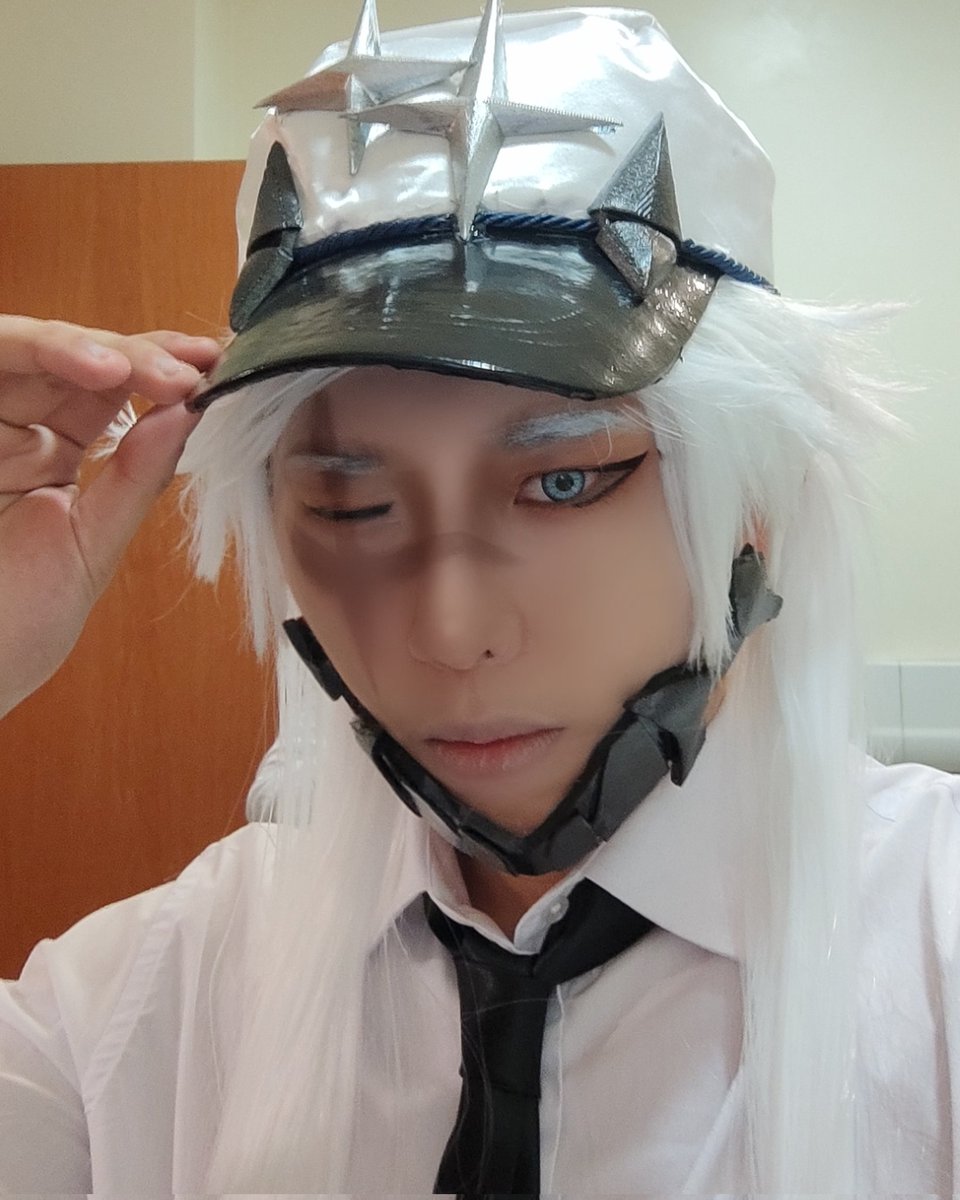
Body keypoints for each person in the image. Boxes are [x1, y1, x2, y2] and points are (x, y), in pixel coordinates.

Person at [2, 2, 959, 1194]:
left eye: (565, 482)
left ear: (751, 494)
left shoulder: (934, 942)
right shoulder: (147, 1006)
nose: (451, 635)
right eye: (350, 505)